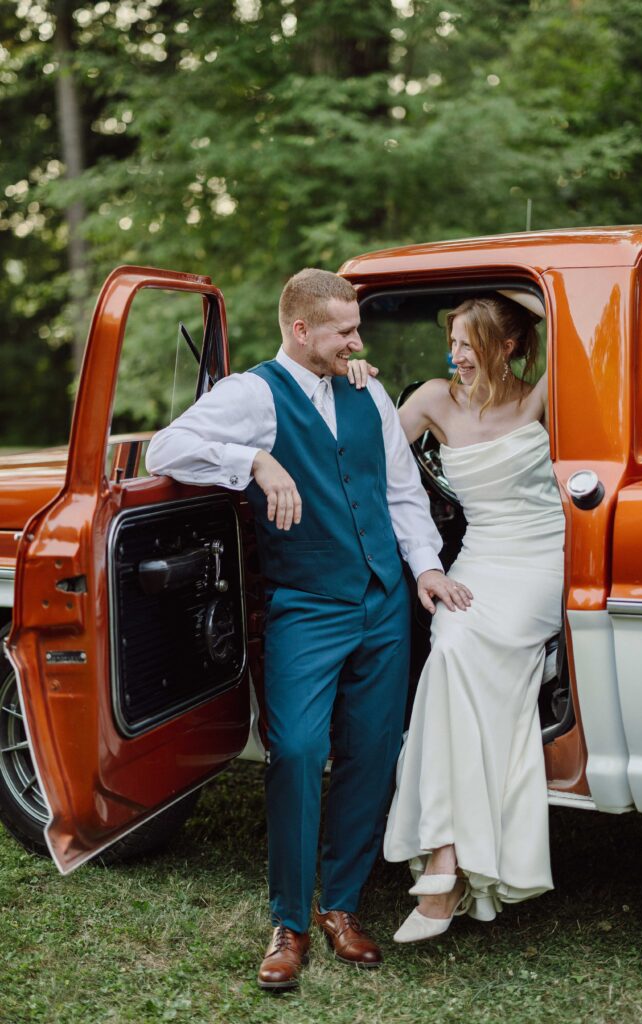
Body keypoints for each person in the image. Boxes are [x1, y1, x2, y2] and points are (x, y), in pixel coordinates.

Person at [145, 268, 472, 990]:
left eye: (356, 328)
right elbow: (161, 451)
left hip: (384, 602)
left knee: (372, 748)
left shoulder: (368, 390)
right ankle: (289, 921)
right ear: (301, 331)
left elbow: (399, 491)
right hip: (307, 603)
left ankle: (342, 905)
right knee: (295, 750)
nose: (357, 342)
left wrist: (421, 567)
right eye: (344, 331)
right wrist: (253, 460)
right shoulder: (253, 394)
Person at [381, 291, 565, 942]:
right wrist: (355, 386)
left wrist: (530, 295)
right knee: (453, 651)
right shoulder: (432, 398)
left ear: (509, 346)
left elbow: (582, 323)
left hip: (540, 562)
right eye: (451, 341)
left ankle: (443, 868)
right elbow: (366, 459)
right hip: (478, 560)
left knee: (465, 665)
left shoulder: (540, 395)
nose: (453, 355)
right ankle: (450, 860)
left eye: (468, 342)